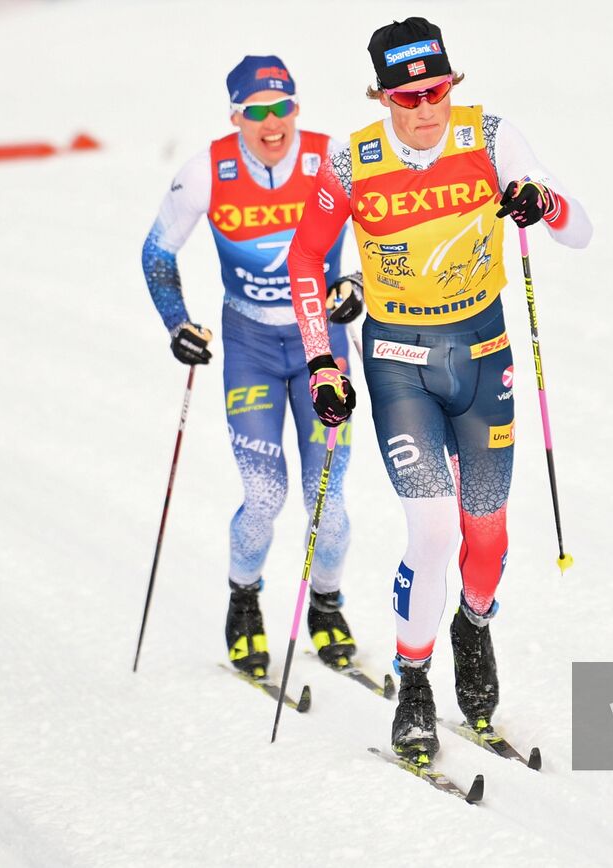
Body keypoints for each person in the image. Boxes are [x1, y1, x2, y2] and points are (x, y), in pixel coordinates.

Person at [286, 18, 592, 762]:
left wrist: (540, 204)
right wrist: (324, 361)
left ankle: (473, 623)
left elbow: (578, 229)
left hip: (484, 358)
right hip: (397, 362)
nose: (425, 110)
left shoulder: (488, 139)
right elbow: (304, 256)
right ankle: (415, 679)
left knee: (485, 536)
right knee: (433, 529)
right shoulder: (351, 161)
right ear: (382, 96)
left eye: (436, 91)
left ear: (452, 84)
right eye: (406, 96)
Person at [141, 55, 365, 680]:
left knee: (331, 504)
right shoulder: (207, 170)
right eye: (256, 111)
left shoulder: (333, 160)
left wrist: (355, 283)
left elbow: (387, 235)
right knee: (265, 496)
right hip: (250, 348)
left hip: (323, 344)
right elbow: (157, 251)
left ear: (297, 107)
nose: (272, 123)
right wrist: (177, 323)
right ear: (235, 114)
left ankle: (326, 605)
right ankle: (245, 601)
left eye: (282, 107)